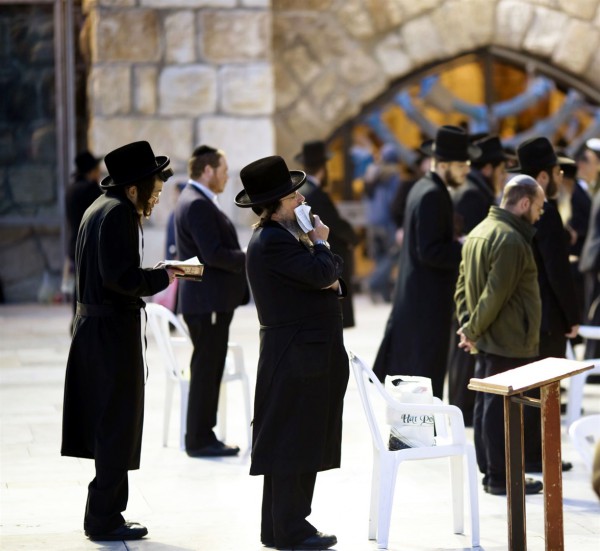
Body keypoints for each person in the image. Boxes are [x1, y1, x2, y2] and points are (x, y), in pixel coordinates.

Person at [61, 141, 183, 541]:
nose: (157, 196)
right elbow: (121, 279)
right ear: (133, 188)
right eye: (154, 188)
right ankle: (103, 518)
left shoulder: (101, 208)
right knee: (116, 424)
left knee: (114, 423)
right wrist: (164, 276)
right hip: (110, 335)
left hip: (99, 331)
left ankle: (110, 512)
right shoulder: (118, 214)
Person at [235, 155, 349, 551]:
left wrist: (325, 269)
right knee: (293, 443)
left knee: (299, 440)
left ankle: (280, 526)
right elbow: (324, 274)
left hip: (305, 354)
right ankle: (291, 528)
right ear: (276, 203)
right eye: (293, 195)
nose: (301, 200)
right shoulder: (272, 242)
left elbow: (332, 279)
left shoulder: (284, 238)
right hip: (297, 357)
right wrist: (321, 243)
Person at [373, 125, 481, 399]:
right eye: (462, 165)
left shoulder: (424, 186)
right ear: (443, 163)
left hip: (418, 303)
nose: (467, 171)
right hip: (425, 308)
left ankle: (416, 442)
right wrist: (466, 248)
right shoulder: (432, 193)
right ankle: (415, 444)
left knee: (418, 383)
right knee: (422, 383)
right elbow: (430, 252)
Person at [454, 174, 546, 496]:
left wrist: (468, 326)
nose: (541, 212)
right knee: (500, 409)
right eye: (539, 206)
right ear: (524, 203)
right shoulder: (510, 239)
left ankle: (493, 473)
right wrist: (473, 329)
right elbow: (495, 294)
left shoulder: (480, 231)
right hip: (507, 338)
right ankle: (501, 477)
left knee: (487, 404)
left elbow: (462, 287)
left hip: (491, 335)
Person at [174, 145, 249, 457]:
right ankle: (200, 439)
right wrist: (249, 255)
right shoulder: (197, 204)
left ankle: (202, 435)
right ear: (208, 170)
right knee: (207, 370)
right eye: (223, 169)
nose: (227, 175)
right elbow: (213, 255)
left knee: (208, 368)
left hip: (206, 301)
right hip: (207, 303)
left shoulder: (194, 200)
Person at [510, 137, 579, 472]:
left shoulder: (513, 208)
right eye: (556, 171)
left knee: (531, 388)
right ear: (543, 176)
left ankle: (532, 454)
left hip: (523, 314)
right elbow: (557, 271)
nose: (561, 178)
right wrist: (573, 317)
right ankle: (539, 456)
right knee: (545, 390)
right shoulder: (546, 212)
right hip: (547, 316)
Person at [447, 135, 508, 425]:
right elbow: (472, 244)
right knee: (464, 352)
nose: (503, 176)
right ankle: (463, 411)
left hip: (467, 284)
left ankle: (463, 409)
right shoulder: (474, 194)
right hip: (470, 285)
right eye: (501, 169)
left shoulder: (475, 190)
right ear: (489, 169)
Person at [295, 140, 359, 328]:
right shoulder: (316, 194)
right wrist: (353, 238)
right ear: (323, 168)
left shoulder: (303, 191)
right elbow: (334, 224)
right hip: (327, 258)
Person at [64, 150, 103, 330]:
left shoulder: (71, 188)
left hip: (75, 244)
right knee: (88, 285)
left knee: (79, 284)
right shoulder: (89, 189)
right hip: (88, 245)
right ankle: (82, 322)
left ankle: (76, 320)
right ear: (91, 170)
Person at [363, 143, 402, 303]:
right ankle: (373, 283)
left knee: (379, 257)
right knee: (393, 255)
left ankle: (384, 293)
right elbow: (395, 200)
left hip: (371, 220)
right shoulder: (393, 175)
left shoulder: (370, 173)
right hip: (387, 221)